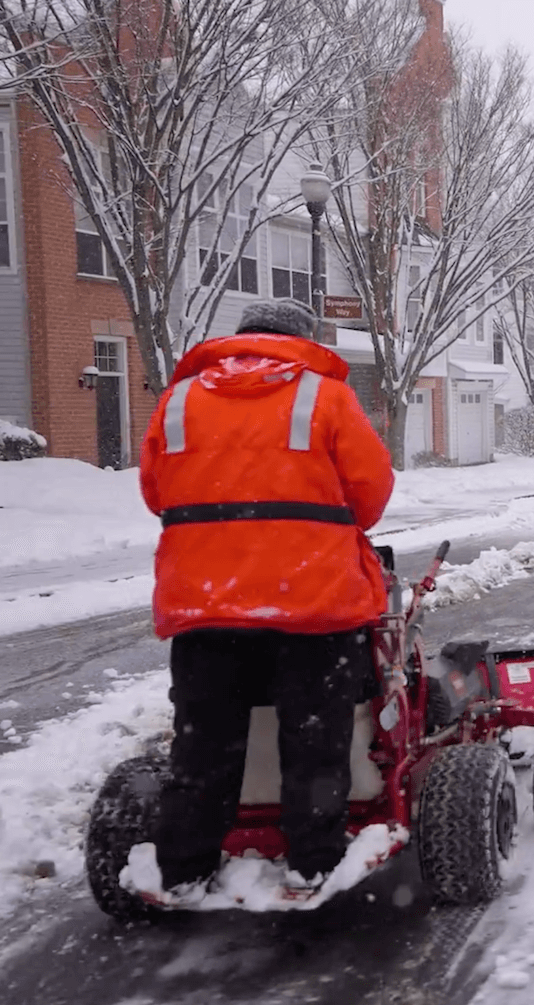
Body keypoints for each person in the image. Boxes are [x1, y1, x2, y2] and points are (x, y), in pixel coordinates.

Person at [138, 298, 395, 903]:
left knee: (202, 743)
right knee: (314, 741)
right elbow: (370, 493)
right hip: (312, 603)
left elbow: (156, 493)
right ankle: (312, 865)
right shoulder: (325, 396)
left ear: (242, 336)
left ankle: (183, 870)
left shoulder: (179, 399)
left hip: (203, 605)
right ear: (303, 339)